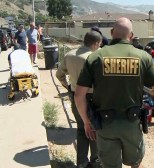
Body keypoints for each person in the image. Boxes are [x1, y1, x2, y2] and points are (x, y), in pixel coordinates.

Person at [74, 17, 154, 168]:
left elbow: (79, 95)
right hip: (132, 122)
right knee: (135, 163)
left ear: (111, 33)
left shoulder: (95, 57)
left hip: (105, 124)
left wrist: (86, 122)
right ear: (131, 35)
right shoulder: (143, 57)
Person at [56, 31, 102, 168]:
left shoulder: (69, 55)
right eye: (99, 44)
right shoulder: (95, 57)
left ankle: (81, 162)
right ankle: (95, 161)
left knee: (81, 129)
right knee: (94, 128)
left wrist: (68, 87)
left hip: (75, 95)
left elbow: (59, 74)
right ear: (95, 44)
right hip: (92, 97)